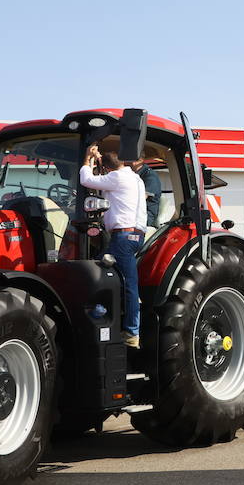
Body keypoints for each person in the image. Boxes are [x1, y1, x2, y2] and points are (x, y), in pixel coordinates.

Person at [79, 145, 147, 348]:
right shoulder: (135, 178)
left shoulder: (116, 178)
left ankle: (128, 330)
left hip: (123, 237)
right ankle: (114, 317)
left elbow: (86, 180)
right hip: (134, 236)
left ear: (108, 170)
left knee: (99, 276)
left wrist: (86, 159)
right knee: (121, 281)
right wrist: (98, 160)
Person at [134, 156, 163, 230]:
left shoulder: (150, 176)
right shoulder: (132, 175)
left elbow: (141, 198)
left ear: (140, 160)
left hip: (146, 214)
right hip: (135, 212)